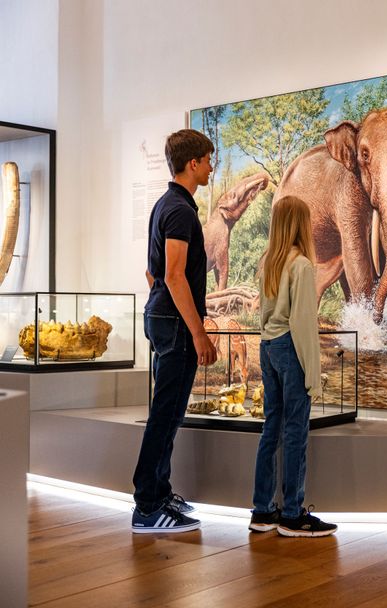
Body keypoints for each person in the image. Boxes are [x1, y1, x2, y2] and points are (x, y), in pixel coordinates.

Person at [132, 129, 218, 533]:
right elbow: (172, 275)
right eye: (207, 158)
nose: (211, 165)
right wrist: (197, 332)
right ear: (193, 164)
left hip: (164, 319)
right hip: (176, 325)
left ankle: (160, 493)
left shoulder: (166, 204)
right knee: (165, 415)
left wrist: (164, 312)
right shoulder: (181, 211)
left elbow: (152, 273)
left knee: (168, 414)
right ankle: (147, 507)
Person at [249, 195, 337, 537]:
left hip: (267, 347)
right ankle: (292, 514)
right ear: (301, 224)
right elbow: (302, 324)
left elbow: (266, 318)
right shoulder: (300, 265)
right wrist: (313, 376)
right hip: (288, 347)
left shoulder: (269, 261)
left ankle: (262, 510)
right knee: (296, 432)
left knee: (271, 428)